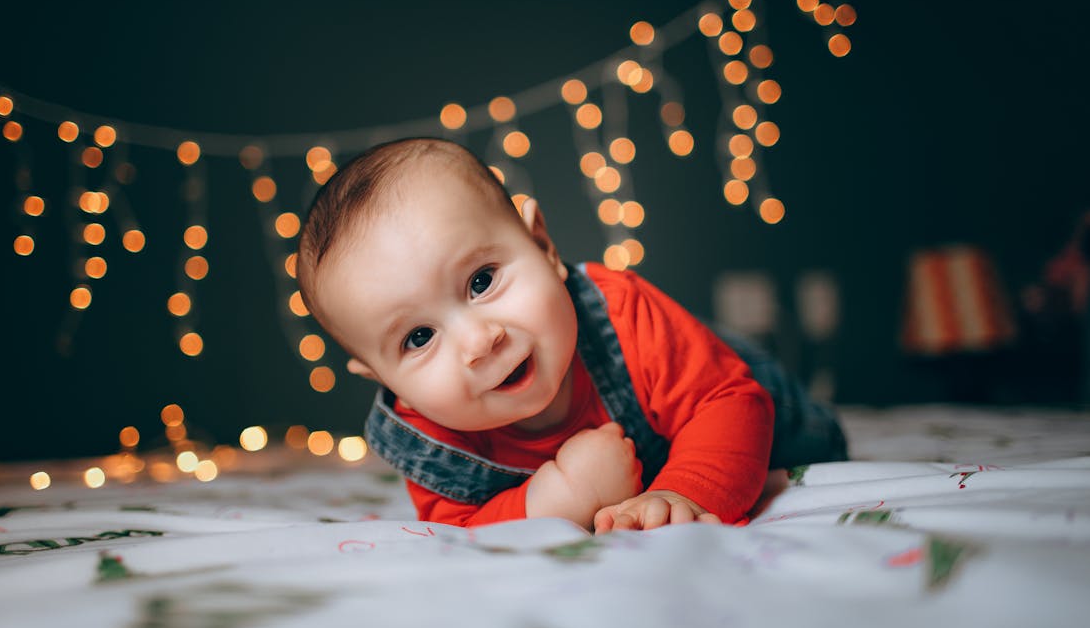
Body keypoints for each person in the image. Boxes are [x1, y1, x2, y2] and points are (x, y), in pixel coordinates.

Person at [296, 137, 846, 532]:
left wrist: (683, 493)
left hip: (749, 400)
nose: (478, 340)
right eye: (418, 338)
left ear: (542, 246)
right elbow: (463, 527)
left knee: (804, 440)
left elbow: (728, 400)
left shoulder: (624, 314)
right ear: (382, 378)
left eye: (481, 281)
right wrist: (560, 499)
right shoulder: (431, 441)